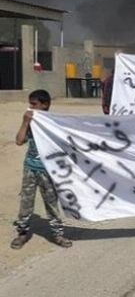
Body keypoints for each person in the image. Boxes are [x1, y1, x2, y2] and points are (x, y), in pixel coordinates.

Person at [11, 89, 73, 249]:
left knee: (51, 203)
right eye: (29, 104)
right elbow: (19, 141)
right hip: (30, 167)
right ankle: (22, 233)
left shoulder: (53, 123)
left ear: (45, 105)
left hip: (48, 170)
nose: (30, 107)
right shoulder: (31, 121)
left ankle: (57, 234)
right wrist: (25, 122)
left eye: (34, 104)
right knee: (26, 202)